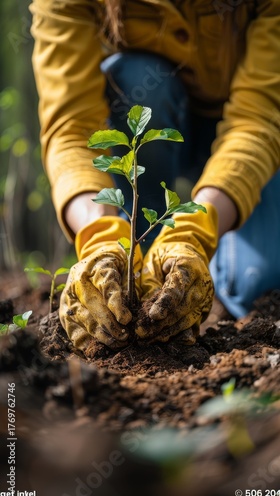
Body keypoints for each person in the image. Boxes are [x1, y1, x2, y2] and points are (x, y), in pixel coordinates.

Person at [30, 0, 280, 352]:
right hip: (158, 112)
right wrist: (99, 235)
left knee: (260, 286)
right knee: (134, 81)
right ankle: (142, 281)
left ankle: (192, 262)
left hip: (247, 136)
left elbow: (260, 120)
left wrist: (195, 230)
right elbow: (72, 129)